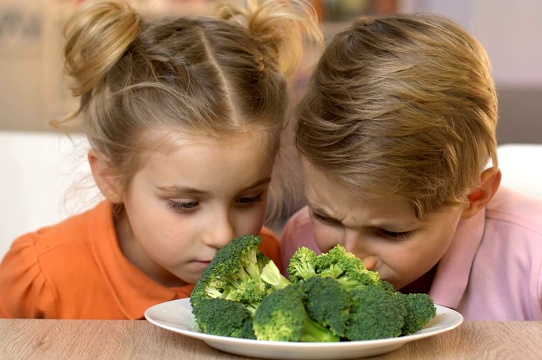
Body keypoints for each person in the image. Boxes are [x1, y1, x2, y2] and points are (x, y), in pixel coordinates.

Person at [281, 13, 542, 321]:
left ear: (474, 194)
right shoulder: (300, 242)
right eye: (326, 217)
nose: (351, 257)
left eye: (391, 233)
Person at [0, 0, 322, 319]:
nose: (223, 235)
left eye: (248, 198)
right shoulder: (41, 280)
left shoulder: (271, 261)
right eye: (185, 204)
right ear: (111, 178)